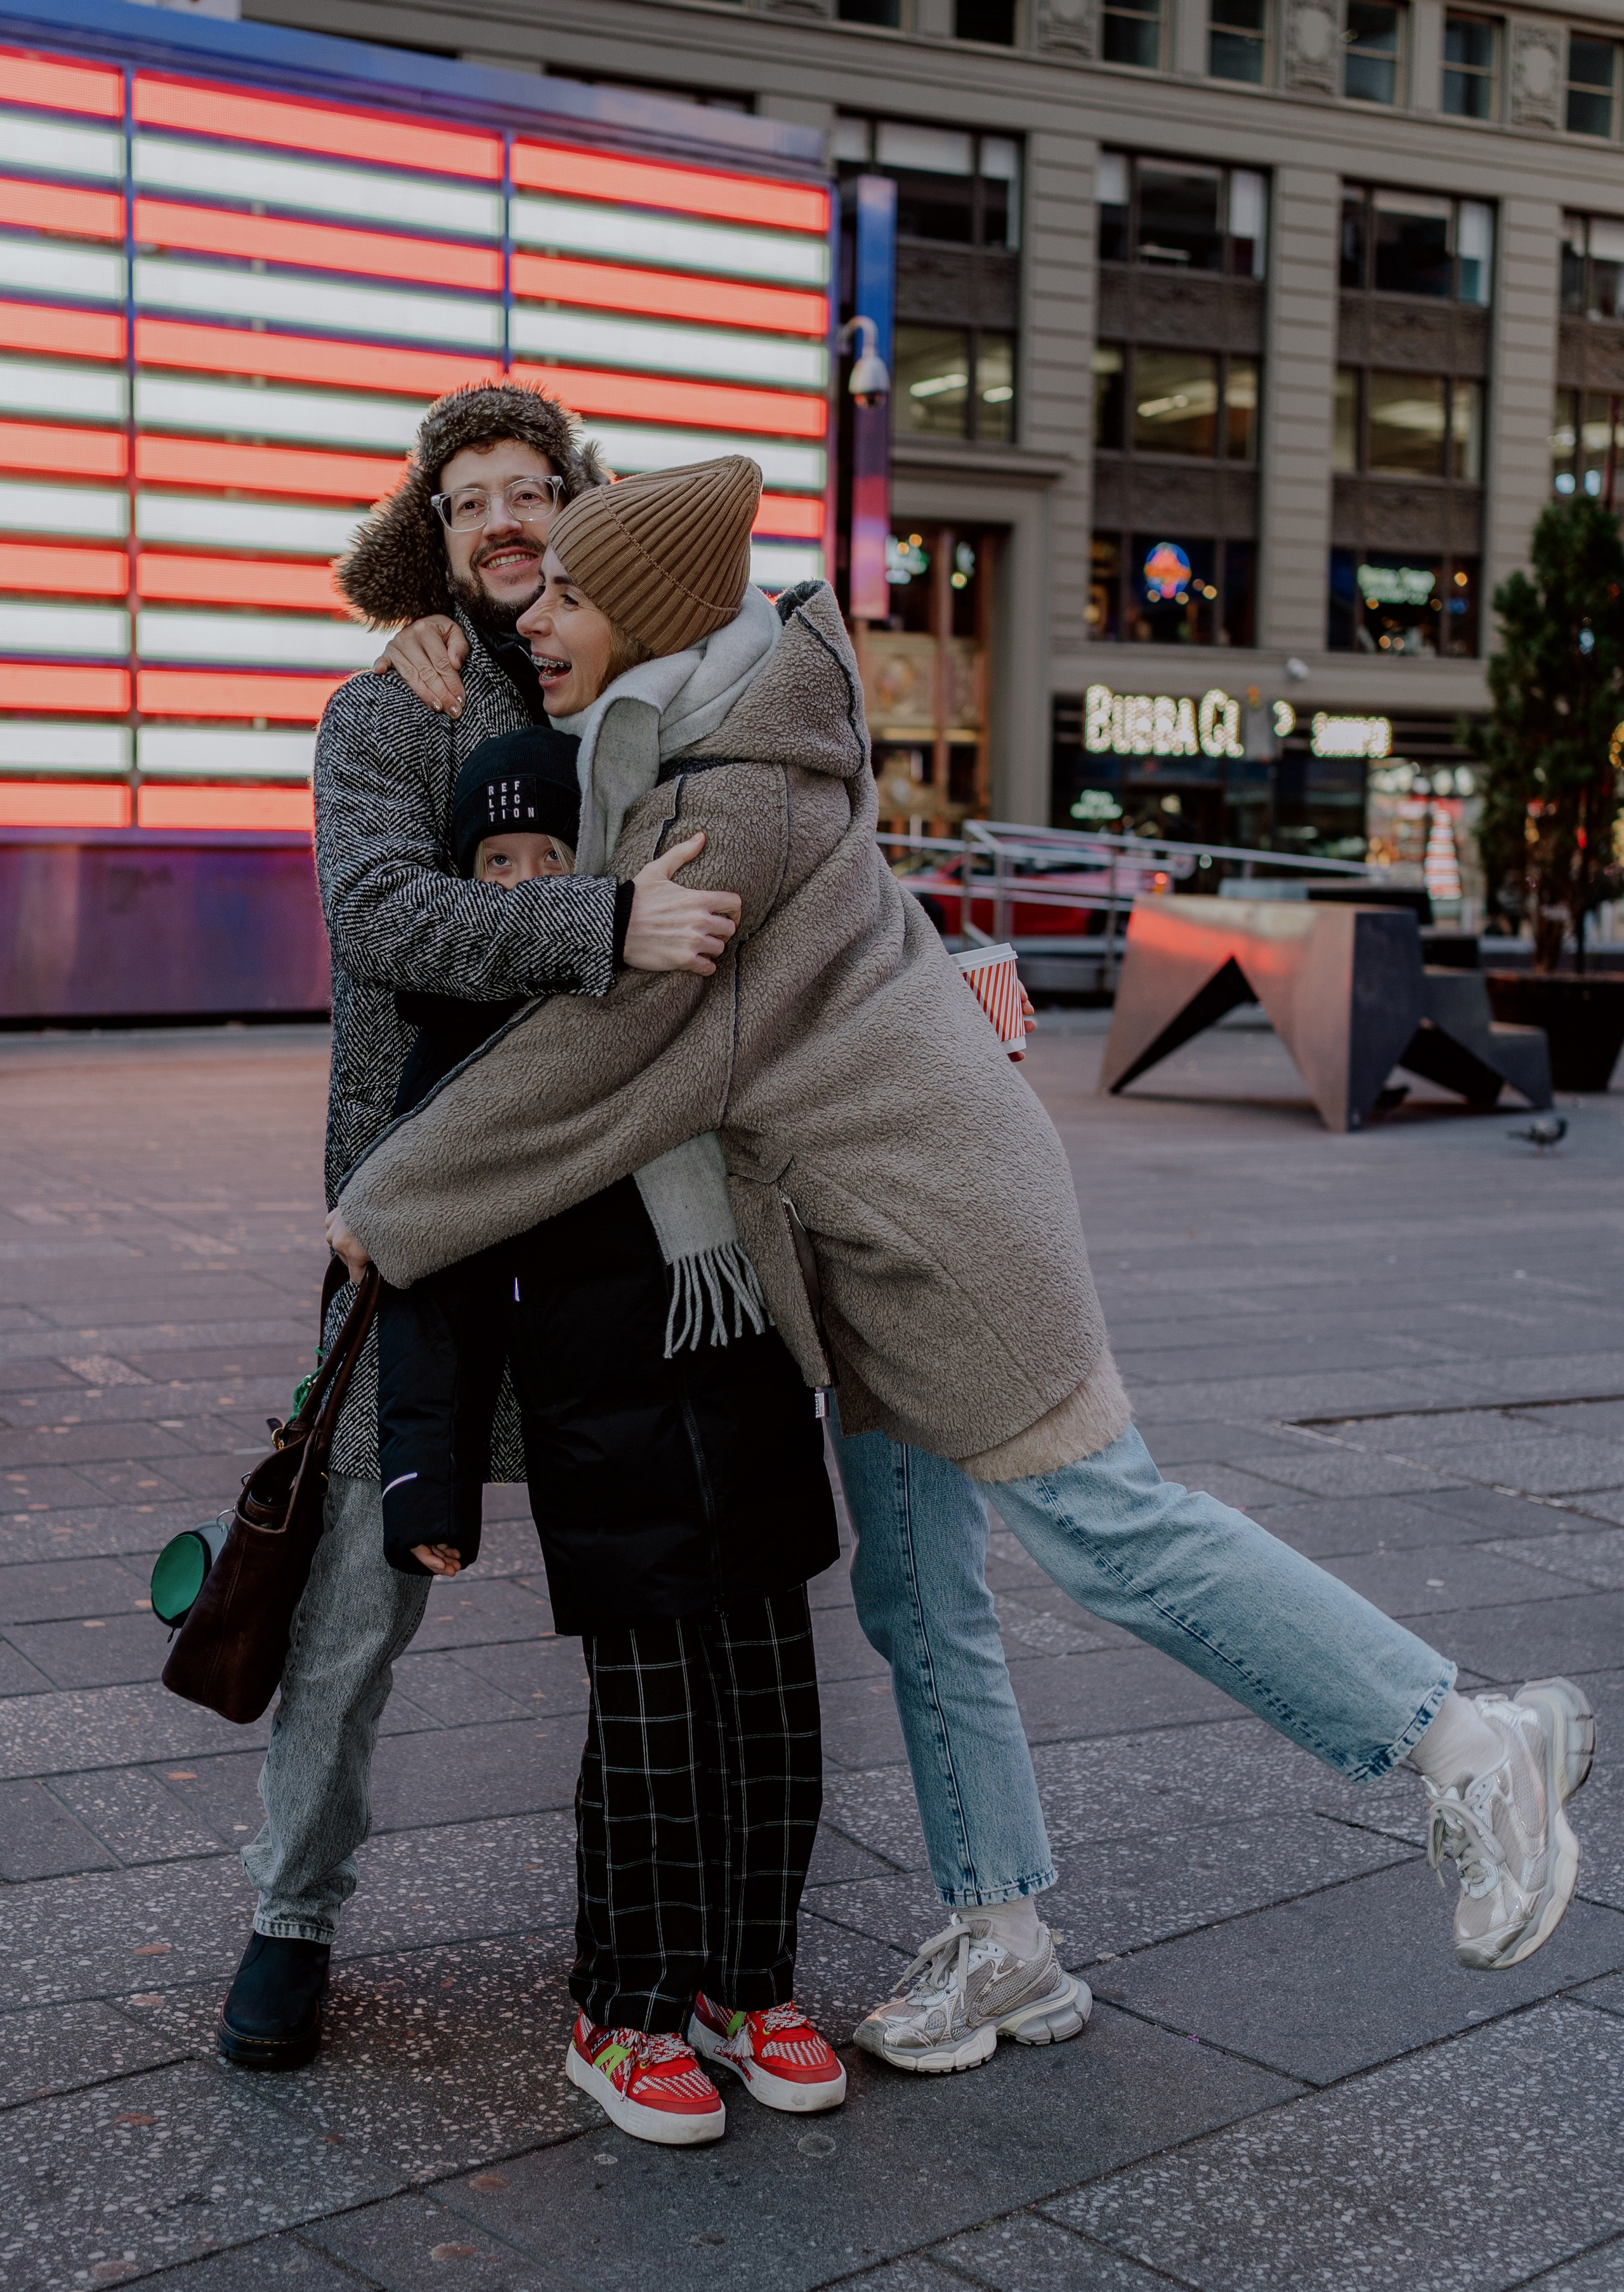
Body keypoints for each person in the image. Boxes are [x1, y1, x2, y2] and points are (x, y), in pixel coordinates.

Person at [329, 451, 1597, 2076]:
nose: (537, 613)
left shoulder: (723, 803)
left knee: (1116, 1531)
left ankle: (1460, 1736)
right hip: (858, 1240)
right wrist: (415, 636)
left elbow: (611, 1060)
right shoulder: (694, 731)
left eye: (572, 591)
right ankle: (1004, 1937)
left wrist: (393, 1199)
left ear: (646, 618)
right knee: (917, 1592)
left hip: (942, 1233)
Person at [216, 384, 745, 2074]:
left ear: (578, 505)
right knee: (351, 1606)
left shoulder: (640, 684)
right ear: (429, 538)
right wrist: (601, 923)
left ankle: (645, 1947)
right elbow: (380, 914)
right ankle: (290, 1916)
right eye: (471, 503)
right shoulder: (388, 707)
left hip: (606, 1214)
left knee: (639, 1602)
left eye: (534, 491)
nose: (507, 523)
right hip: (425, 1213)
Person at [365, 719, 846, 2143]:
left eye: (549, 852)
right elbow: (427, 1270)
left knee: (775, 1717)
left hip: (747, 1387)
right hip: (602, 1425)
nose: (525, 883)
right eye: (494, 865)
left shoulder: (682, 984)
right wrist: (424, 1482)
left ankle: (745, 1986)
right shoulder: (471, 1047)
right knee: (649, 1736)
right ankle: (621, 2009)